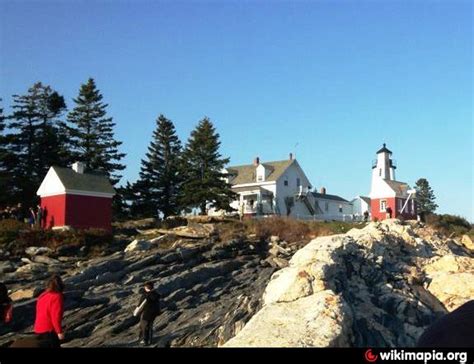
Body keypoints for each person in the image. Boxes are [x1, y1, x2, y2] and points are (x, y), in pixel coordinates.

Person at [33, 274, 65, 348]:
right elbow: (55, 316)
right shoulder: (57, 297)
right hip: (49, 330)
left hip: (38, 328)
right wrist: (59, 332)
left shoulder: (42, 295)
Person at [133, 281, 161, 346]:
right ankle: (149, 340)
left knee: (144, 326)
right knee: (150, 326)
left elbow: (140, 305)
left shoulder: (146, 295)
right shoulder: (156, 294)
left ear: (146, 287)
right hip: (154, 312)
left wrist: (135, 313)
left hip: (147, 313)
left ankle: (145, 341)